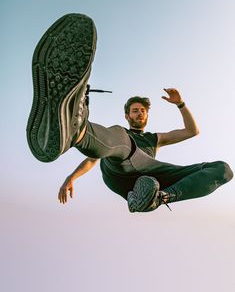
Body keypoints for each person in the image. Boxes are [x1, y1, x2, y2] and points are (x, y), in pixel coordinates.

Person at [27, 13, 233, 213]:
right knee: (122, 140)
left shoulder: (155, 139)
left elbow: (191, 131)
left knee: (223, 170)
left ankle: (160, 198)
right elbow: (92, 159)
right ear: (127, 116)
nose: (139, 114)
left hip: (150, 183)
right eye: (135, 111)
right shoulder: (119, 138)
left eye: (142, 111)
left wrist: (181, 104)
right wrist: (71, 177)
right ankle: (77, 132)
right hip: (118, 175)